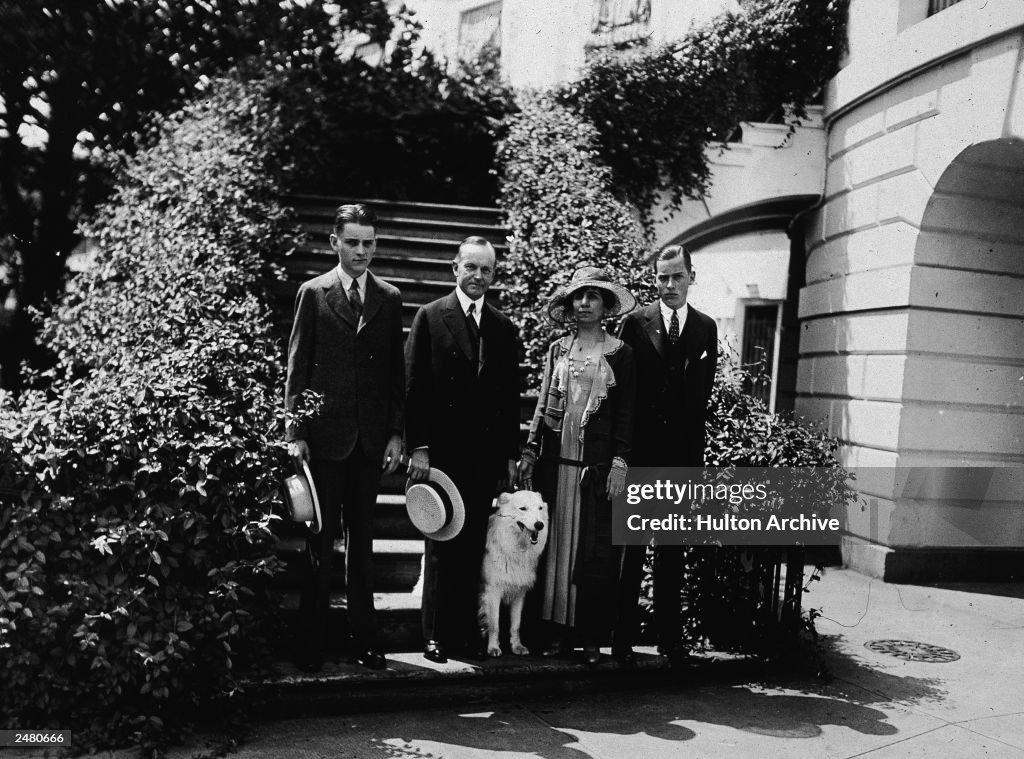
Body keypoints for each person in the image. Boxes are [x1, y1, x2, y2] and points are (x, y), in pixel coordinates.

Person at [284, 203, 405, 672]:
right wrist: (295, 431)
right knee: (320, 541)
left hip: (370, 442)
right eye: (352, 241)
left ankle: (366, 639)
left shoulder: (389, 297)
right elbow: (296, 368)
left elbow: (396, 371)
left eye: (369, 242)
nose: (361, 250)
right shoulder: (313, 294)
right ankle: (310, 643)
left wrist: (396, 431)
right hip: (324, 439)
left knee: (364, 543)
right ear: (335, 242)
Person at [405, 236, 521, 663]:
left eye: (485, 270)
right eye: (470, 267)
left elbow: (510, 398)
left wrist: (509, 454)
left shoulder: (502, 327)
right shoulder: (430, 317)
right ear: (455, 268)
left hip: (483, 456)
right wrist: (418, 446)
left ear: (494, 274)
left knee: (472, 546)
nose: (477, 276)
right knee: (439, 547)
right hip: (442, 455)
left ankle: (462, 634)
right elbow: (414, 387)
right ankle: (433, 635)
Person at [517, 266, 636, 665]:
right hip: (558, 465)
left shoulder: (621, 353)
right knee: (553, 551)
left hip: (594, 472)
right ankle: (554, 635)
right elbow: (541, 406)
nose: (584, 303)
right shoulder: (557, 350)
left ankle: (589, 638)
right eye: (578, 296)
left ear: (605, 305)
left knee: (593, 553)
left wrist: (619, 461)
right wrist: (531, 450)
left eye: (593, 296)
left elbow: (625, 414)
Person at [616, 244, 718, 664]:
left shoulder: (705, 328)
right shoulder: (634, 324)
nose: (670, 285)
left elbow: (701, 399)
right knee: (632, 551)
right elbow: (622, 394)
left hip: (680, 458)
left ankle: (669, 638)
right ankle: (621, 637)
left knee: (672, 552)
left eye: (677, 276)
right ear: (654, 279)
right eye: (662, 277)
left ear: (691, 276)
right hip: (641, 455)